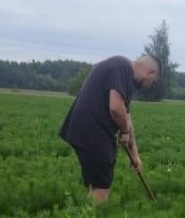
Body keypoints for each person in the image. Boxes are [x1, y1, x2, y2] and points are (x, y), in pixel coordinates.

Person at [59, 54, 161, 203]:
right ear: (150, 72)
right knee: (101, 186)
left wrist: (135, 155)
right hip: (93, 131)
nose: (149, 85)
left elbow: (126, 116)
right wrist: (124, 132)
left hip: (86, 129)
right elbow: (115, 108)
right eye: (153, 82)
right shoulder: (122, 68)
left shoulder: (123, 72)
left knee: (97, 183)